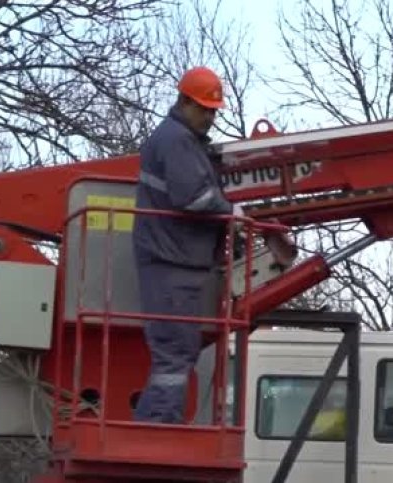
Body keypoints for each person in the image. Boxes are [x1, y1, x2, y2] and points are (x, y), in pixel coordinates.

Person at [131, 66, 243, 424]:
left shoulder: (179, 140)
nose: (210, 117)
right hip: (171, 263)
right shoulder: (176, 140)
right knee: (175, 354)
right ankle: (157, 431)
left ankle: (155, 428)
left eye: (213, 110)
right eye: (204, 108)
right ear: (183, 101)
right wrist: (232, 211)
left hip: (175, 262)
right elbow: (192, 197)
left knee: (177, 354)